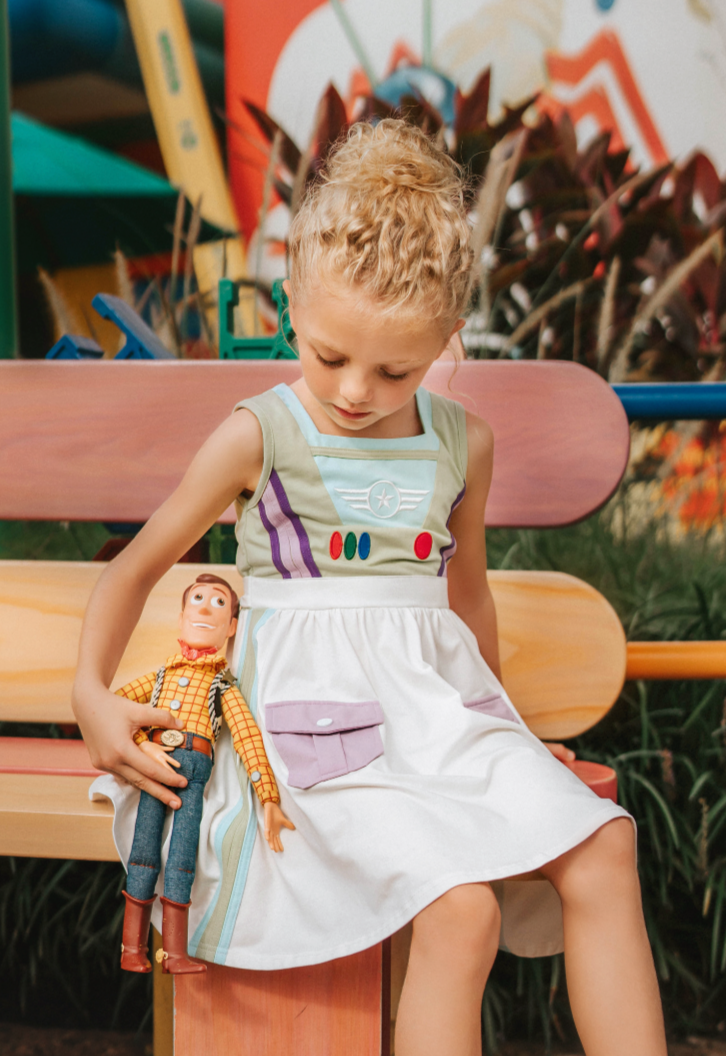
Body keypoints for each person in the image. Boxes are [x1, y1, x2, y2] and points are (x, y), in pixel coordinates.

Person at [74, 119, 667, 1056]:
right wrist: (90, 700)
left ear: (447, 337)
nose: (354, 390)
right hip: (317, 731)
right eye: (328, 355)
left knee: (606, 844)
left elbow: (466, 602)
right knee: (461, 910)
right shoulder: (259, 435)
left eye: (397, 368)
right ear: (294, 309)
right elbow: (138, 565)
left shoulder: (463, 442)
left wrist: (508, 734)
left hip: (441, 717)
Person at [115, 572, 294, 976]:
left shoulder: (222, 686)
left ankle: (176, 953)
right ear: (181, 616)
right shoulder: (159, 677)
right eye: (197, 598)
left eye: (217, 603)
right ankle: (132, 947)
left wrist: (268, 796)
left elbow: (248, 736)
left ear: (232, 627)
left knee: (182, 858)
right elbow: (113, 710)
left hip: (195, 774)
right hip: (154, 768)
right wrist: (144, 744)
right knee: (144, 853)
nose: (203, 608)